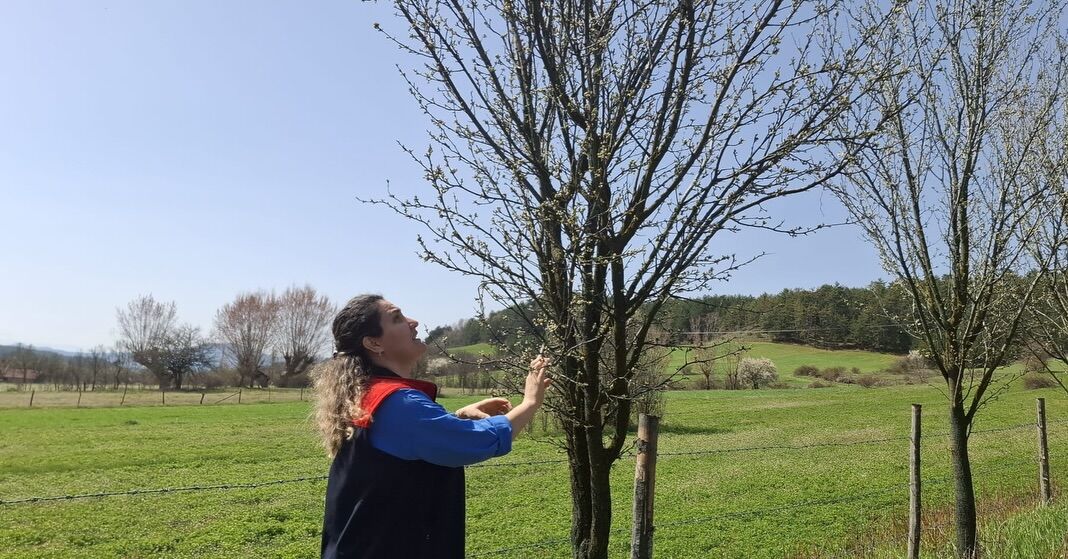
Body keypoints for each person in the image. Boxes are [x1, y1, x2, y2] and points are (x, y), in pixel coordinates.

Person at [313, 294, 551, 559]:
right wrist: (530, 402)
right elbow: (473, 443)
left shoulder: (368, 394)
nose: (413, 322)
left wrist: (458, 417)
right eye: (397, 318)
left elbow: (406, 442)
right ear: (373, 342)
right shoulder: (398, 402)